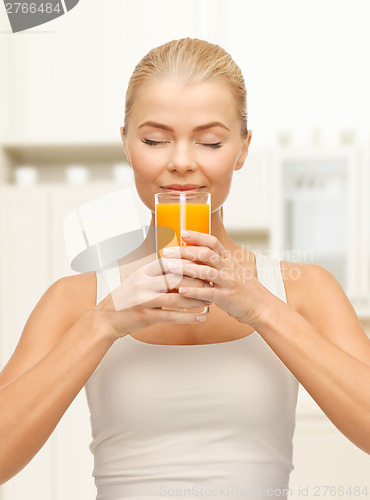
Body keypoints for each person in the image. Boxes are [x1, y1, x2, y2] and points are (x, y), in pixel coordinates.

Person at [0, 37, 369, 499]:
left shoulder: (306, 290)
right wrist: (104, 322)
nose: (180, 161)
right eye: (155, 139)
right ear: (127, 145)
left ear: (242, 148)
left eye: (210, 141)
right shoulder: (76, 298)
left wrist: (261, 307)